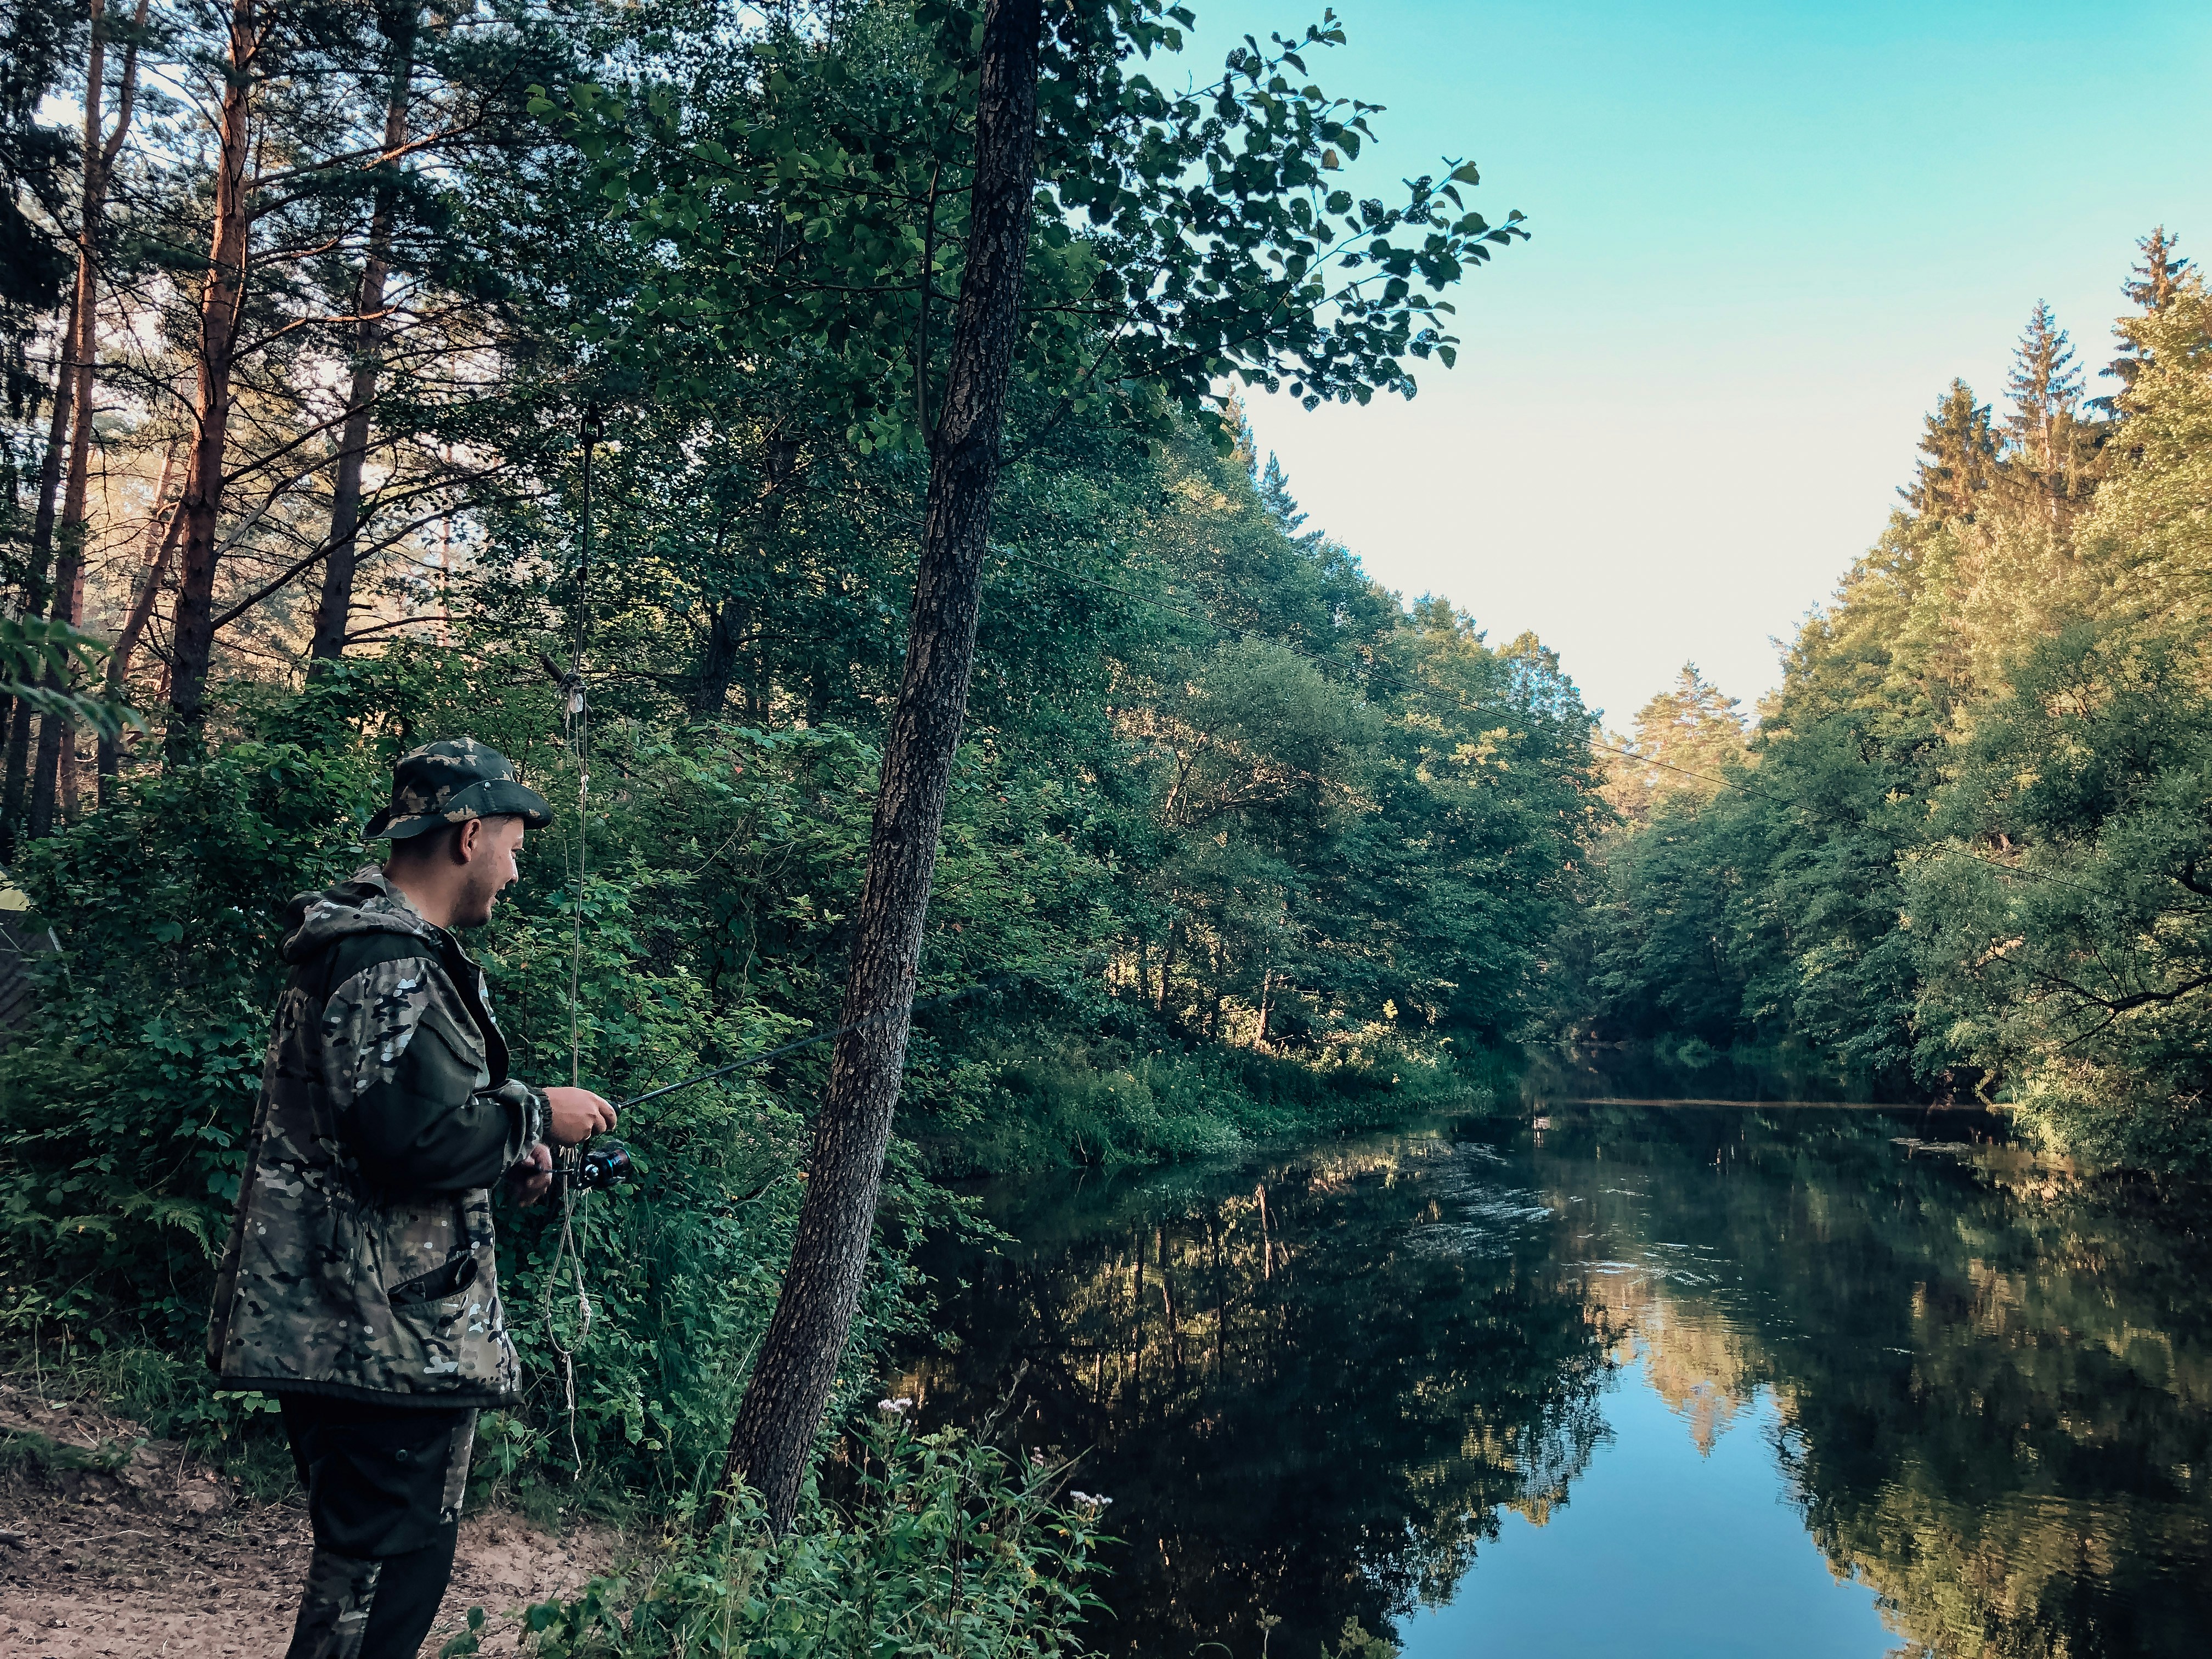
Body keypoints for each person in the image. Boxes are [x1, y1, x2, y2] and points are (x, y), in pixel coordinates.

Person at [207, 738, 616, 1659]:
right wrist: (536, 1117)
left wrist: (508, 1150)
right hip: (372, 1337)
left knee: (392, 1566)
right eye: (513, 845)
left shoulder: (372, 950)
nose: (515, 871)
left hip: (369, 1326)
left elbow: (393, 1131)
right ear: (469, 836)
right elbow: (405, 1140)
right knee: (379, 1582)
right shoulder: (387, 960)